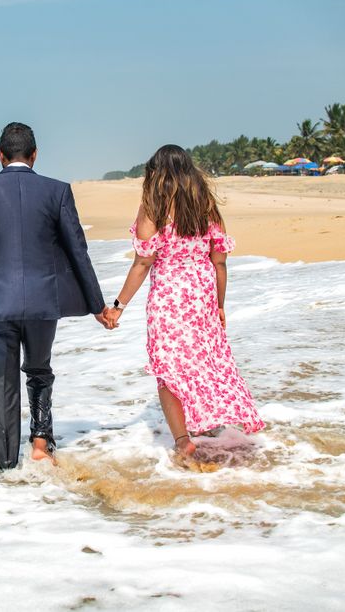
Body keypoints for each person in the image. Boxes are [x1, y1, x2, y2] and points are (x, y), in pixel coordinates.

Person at [0, 122, 110, 471]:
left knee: (1, 382)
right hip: (42, 303)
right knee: (39, 370)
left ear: (1, 156)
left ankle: (6, 463)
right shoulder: (57, 191)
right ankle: (40, 441)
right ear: (34, 155)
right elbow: (78, 250)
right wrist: (98, 305)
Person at [102, 144, 265, 457]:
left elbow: (143, 262)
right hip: (201, 293)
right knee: (205, 361)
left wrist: (118, 307)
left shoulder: (153, 207)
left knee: (169, 368)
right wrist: (219, 304)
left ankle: (183, 442)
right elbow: (219, 261)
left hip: (169, 297)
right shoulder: (206, 206)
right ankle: (208, 424)